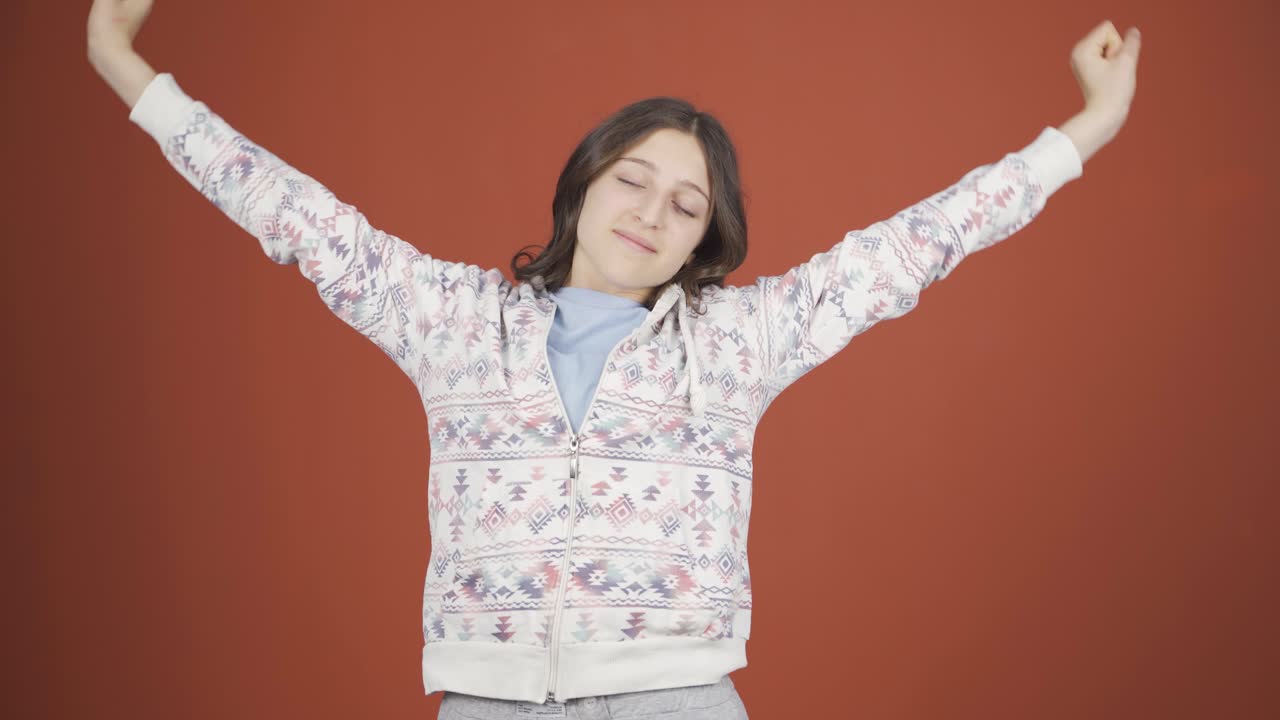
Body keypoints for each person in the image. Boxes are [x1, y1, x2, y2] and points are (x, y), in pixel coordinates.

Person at [87, 2, 1141, 717]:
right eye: (633, 181)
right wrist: (122, 65)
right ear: (584, 184)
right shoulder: (455, 320)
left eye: (686, 206)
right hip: (487, 698)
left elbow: (916, 242)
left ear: (704, 240)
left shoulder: (739, 342)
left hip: (675, 698)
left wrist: (1083, 132)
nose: (651, 214)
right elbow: (296, 215)